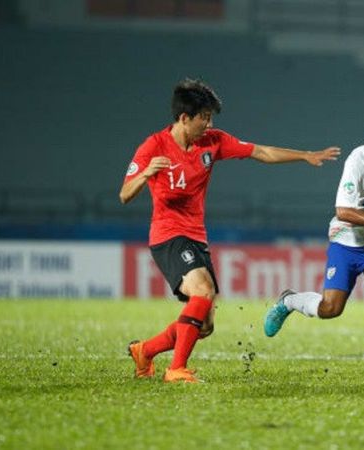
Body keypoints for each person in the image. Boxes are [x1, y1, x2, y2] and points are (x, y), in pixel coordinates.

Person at [121, 78, 340, 383]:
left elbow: (260, 151)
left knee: (205, 325)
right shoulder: (153, 146)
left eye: (210, 117)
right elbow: (124, 194)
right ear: (184, 118)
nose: (208, 123)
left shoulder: (213, 141)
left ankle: (145, 351)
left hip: (196, 237)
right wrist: (145, 173)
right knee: (203, 291)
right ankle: (176, 369)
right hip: (168, 235)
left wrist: (304, 155)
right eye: (204, 117)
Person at [262, 98, 364, 379]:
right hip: (348, 244)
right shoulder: (359, 160)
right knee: (330, 308)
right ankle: (289, 301)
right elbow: (343, 211)